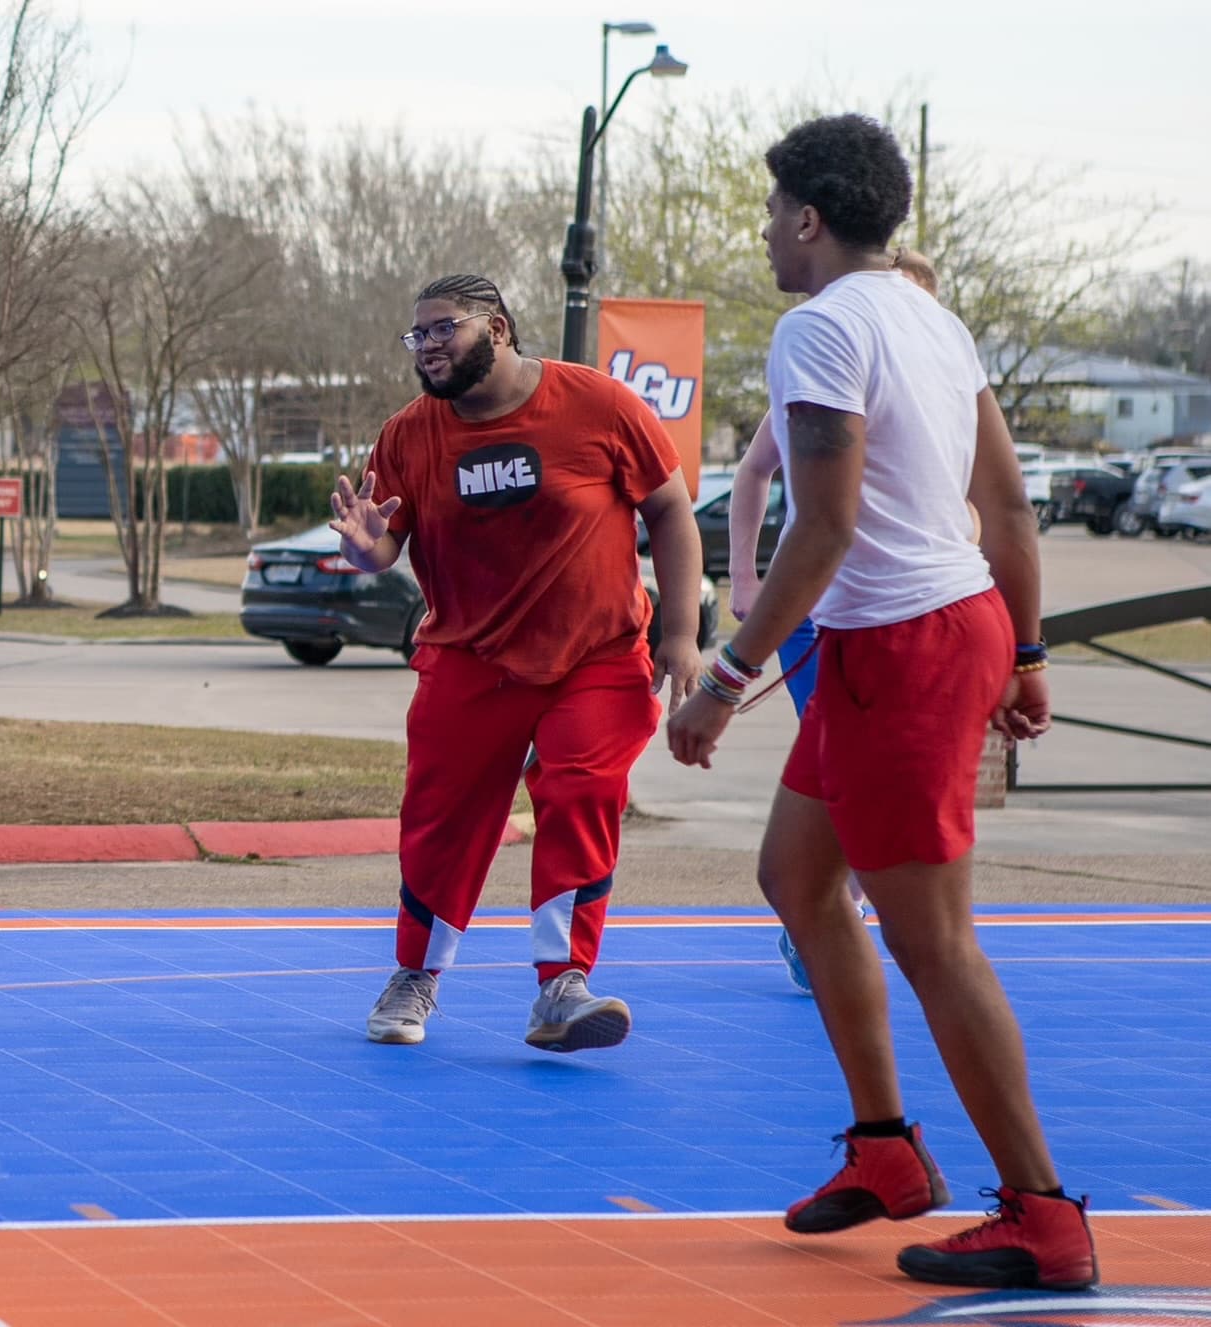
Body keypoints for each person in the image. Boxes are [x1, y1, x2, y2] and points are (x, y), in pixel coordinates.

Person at [667, 114, 1097, 1292]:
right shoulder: (931, 318)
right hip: (920, 637)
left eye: (770, 214)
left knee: (932, 937)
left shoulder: (819, 327)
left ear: (808, 216)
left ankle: (1045, 1214)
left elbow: (827, 525)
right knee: (797, 879)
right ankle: (886, 1148)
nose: (764, 234)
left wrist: (724, 676)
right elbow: (1006, 506)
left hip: (904, 647)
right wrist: (1025, 647)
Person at [332, 273, 704, 1054]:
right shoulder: (408, 434)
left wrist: (678, 634)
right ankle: (416, 975)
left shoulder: (597, 405)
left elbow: (669, 508)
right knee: (442, 823)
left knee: (579, 789)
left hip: (595, 654)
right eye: (418, 334)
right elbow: (386, 541)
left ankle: (560, 986)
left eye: (444, 329)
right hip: (470, 656)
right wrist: (369, 552)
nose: (427, 345)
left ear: (497, 328)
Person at [727, 249, 960, 994]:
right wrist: (742, 576)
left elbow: (998, 509)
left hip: (906, 619)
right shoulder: (821, 353)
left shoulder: (939, 370)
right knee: (823, 812)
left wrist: (1025, 650)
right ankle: (833, 918)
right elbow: (770, 484)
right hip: (826, 614)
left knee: (881, 830)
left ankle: (847, 913)